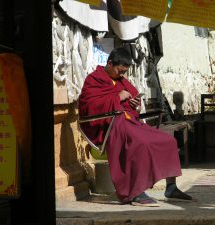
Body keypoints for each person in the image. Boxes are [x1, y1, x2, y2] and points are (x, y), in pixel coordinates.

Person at [78, 46, 193, 207]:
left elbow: (133, 104)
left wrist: (134, 104)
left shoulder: (122, 81)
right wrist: (117, 97)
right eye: (120, 71)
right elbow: (88, 106)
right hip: (109, 126)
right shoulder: (94, 79)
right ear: (109, 63)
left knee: (168, 140)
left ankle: (171, 188)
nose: (122, 75)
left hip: (130, 123)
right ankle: (136, 192)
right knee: (140, 144)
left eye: (124, 72)